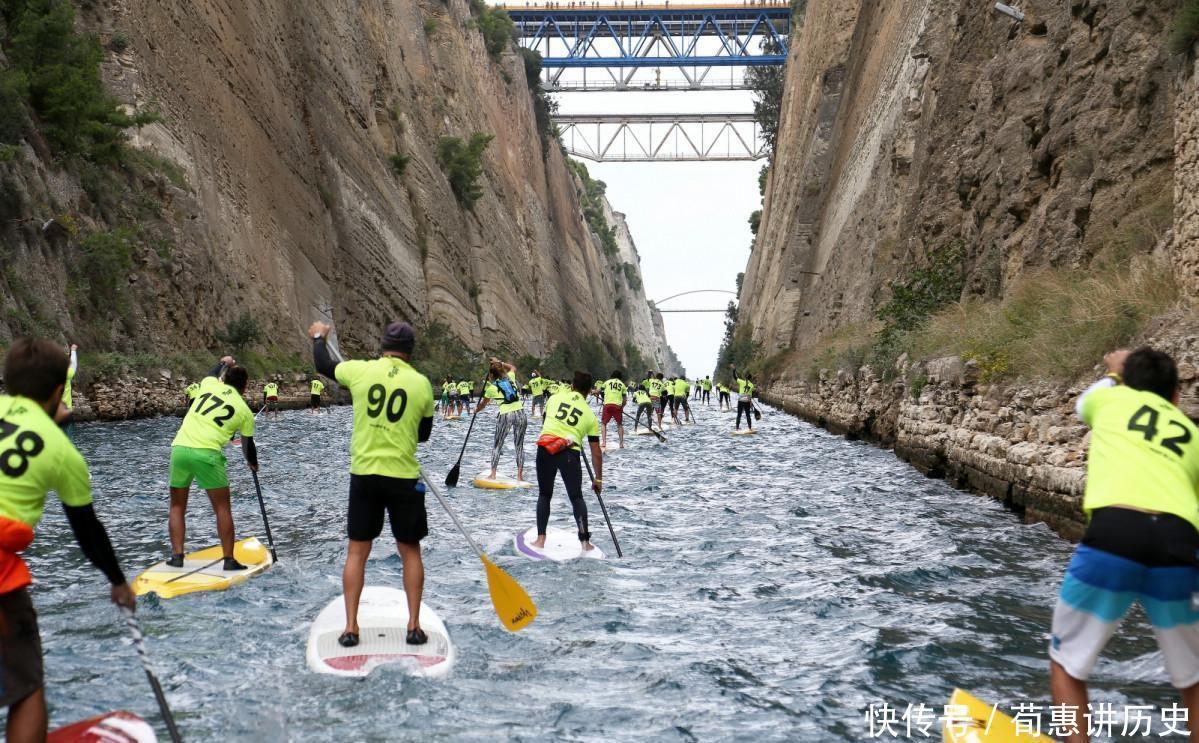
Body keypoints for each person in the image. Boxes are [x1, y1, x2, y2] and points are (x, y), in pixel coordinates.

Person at [1049, 348, 1199, 743]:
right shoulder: (1192, 434)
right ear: (1176, 398)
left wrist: (1115, 373)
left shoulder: (1112, 398)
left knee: (1068, 664)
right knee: (1194, 678)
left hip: (1115, 534)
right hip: (1179, 544)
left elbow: (1084, 405)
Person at [0, 339, 136, 743]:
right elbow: (87, 531)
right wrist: (118, 581)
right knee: (26, 691)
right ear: (59, 391)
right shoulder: (63, 451)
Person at [309, 320, 435, 648]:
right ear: (410, 351)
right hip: (403, 476)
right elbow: (423, 436)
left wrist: (319, 337)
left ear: (382, 345)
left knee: (357, 551)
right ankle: (414, 626)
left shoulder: (360, 371)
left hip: (364, 473)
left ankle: (351, 628)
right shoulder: (422, 385)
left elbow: (323, 364)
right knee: (410, 551)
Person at [168, 355, 258, 570]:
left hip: (179, 449)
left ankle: (177, 556)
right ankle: (229, 560)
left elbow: (210, 374)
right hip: (207, 455)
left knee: (177, 506)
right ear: (245, 387)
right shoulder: (245, 411)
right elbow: (247, 445)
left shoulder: (208, 385)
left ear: (224, 379)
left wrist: (224, 362)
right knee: (222, 509)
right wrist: (252, 463)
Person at [532, 371, 603, 552]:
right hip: (570, 454)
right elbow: (596, 451)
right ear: (588, 392)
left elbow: (546, 421)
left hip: (545, 448)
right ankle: (585, 543)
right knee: (576, 497)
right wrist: (598, 479)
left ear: (572, 385)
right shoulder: (590, 416)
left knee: (544, 494)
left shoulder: (554, 398)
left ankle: (540, 540)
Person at [476, 358, 527, 482]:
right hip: (520, 413)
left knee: (497, 445)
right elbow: (513, 367)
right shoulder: (511, 379)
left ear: (492, 375)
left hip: (506, 415)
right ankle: (519, 476)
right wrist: (499, 362)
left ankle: (493, 474)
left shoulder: (491, 388)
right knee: (519, 445)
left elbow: (483, 405)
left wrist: (476, 410)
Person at [600, 370, 627, 448]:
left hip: (607, 405)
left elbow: (600, 390)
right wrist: (622, 407)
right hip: (617, 406)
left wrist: (594, 392)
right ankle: (621, 444)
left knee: (603, 423)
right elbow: (624, 400)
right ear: (620, 377)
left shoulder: (607, 382)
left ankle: (604, 443)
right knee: (619, 424)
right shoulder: (622, 385)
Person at [61, 343, 78, 439]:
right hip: (66, 412)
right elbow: (73, 365)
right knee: (68, 439)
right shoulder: (67, 375)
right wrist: (73, 351)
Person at [732, 366, 756, 431]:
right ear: (750, 379)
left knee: (739, 415)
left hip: (741, 401)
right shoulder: (752, 385)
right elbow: (751, 395)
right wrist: (750, 402)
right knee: (748, 415)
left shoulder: (741, 382)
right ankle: (750, 428)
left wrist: (734, 370)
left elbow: (735, 377)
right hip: (747, 401)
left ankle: (737, 428)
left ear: (745, 378)